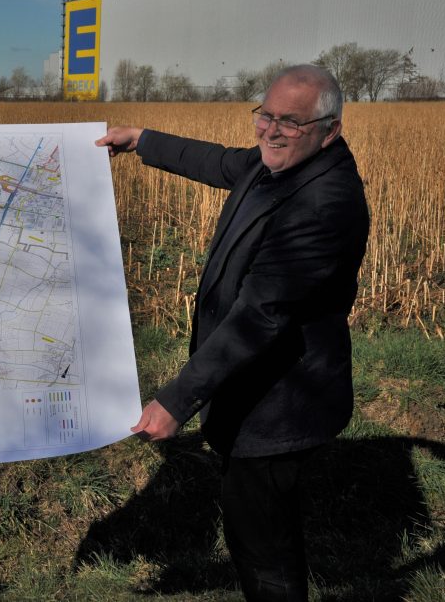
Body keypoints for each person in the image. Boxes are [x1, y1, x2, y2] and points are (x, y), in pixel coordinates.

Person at [96, 64, 369, 600]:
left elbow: (259, 316)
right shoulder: (281, 165)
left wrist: (176, 401)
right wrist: (140, 140)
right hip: (257, 385)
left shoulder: (322, 203)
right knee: (255, 517)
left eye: (290, 122)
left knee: (262, 539)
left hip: (281, 399)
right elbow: (219, 161)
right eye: (265, 115)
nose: (270, 130)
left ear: (329, 130)